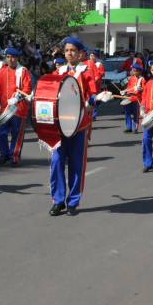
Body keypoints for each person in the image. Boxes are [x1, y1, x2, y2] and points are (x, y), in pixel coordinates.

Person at [49, 37, 97, 216]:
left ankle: (73, 201)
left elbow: (92, 93)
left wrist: (94, 100)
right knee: (56, 162)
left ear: (80, 54)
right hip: (59, 125)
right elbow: (50, 92)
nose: (69, 53)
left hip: (78, 125)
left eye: (73, 51)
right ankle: (58, 200)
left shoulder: (86, 72)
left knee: (76, 164)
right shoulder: (58, 71)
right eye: (67, 50)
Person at [0, 47, 32, 166]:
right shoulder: (2, 71)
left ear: (17, 58)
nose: (11, 60)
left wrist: (17, 98)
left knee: (17, 134)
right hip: (5, 109)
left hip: (18, 109)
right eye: (8, 57)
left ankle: (14, 156)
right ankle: (4, 154)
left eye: (13, 57)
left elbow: (27, 89)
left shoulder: (23, 71)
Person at [122, 63, 145, 133]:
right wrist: (124, 91)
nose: (133, 72)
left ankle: (135, 128)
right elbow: (128, 87)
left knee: (136, 114)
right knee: (127, 113)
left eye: (135, 71)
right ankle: (129, 127)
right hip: (129, 97)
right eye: (133, 70)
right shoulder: (131, 78)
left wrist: (140, 89)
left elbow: (144, 89)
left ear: (139, 71)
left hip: (136, 98)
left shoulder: (142, 79)